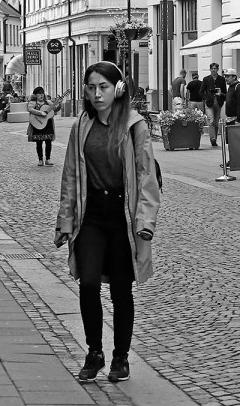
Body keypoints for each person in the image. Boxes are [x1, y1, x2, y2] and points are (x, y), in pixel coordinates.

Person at [54, 61, 160, 383]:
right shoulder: (81, 125)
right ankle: (94, 351)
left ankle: (121, 357)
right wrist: (65, 221)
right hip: (91, 215)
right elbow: (71, 174)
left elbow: (146, 178)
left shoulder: (134, 125)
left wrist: (145, 222)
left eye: (102, 87)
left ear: (117, 89)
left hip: (121, 217)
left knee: (120, 289)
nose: (96, 94)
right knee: (87, 284)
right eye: (90, 87)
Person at [27, 86, 55, 166]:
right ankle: (40, 159)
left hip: (47, 124)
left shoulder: (48, 102)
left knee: (48, 141)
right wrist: (40, 113)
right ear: (35, 95)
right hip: (38, 124)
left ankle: (48, 159)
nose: (41, 95)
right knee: (39, 142)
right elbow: (30, 109)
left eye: (42, 93)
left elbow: (54, 108)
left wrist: (58, 104)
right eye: (39, 94)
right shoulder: (33, 102)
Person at [200, 63, 226, 146]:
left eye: (215, 68)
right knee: (211, 120)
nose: (213, 70)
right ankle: (212, 138)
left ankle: (214, 139)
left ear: (217, 69)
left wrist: (221, 94)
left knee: (216, 121)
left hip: (218, 102)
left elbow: (225, 91)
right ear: (210, 69)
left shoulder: (221, 79)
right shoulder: (206, 79)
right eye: (212, 68)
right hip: (209, 102)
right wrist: (206, 97)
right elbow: (201, 91)